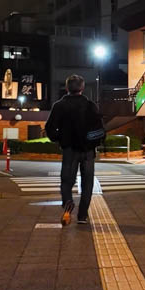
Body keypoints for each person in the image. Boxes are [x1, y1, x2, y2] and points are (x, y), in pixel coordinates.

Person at [45, 75, 103, 226]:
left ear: (67, 88)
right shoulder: (90, 105)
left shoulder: (60, 105)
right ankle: (82, 216)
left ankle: (68, 202)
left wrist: (60, 138)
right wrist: (94, 142)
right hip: (88, 151)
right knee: (87, 183)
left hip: (70, 149)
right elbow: (100, 129)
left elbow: (49, 128)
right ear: (82, 88)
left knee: (66, 180)